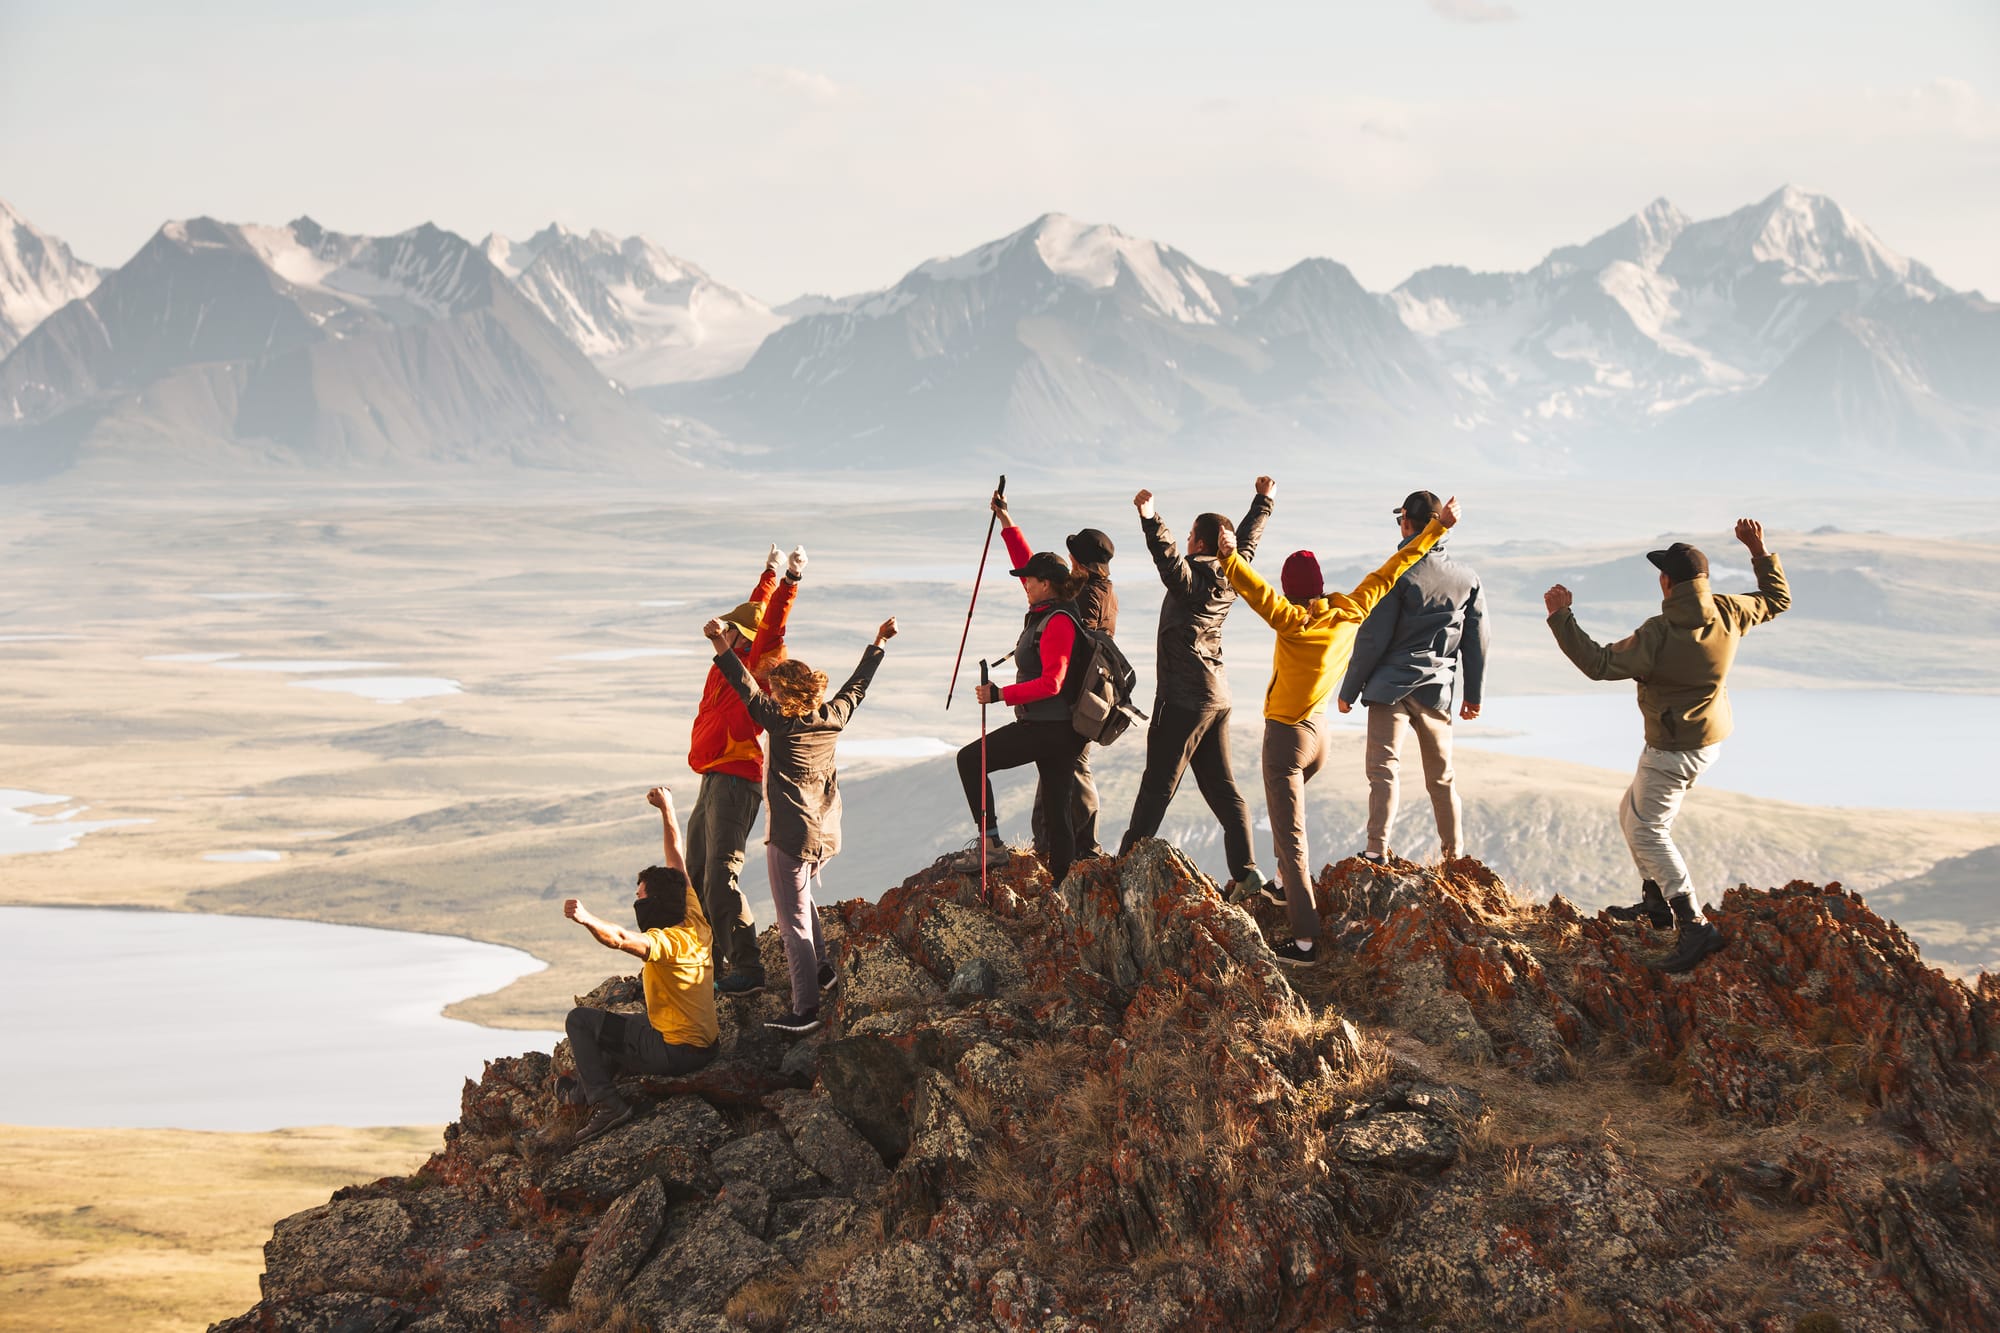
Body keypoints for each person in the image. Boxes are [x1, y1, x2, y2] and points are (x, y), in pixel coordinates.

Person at [1220, 496, 1460, 966]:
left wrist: (1229, 555)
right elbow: (1394, 567)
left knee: (1291, 837)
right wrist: (1436, 530)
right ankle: (1282, 886)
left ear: (1291, 592)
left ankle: (1305, 942)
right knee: (1283, 816)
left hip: (1287, 739)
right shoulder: (1350, 608)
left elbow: (1255, 590)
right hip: (1319, 736)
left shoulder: (1291, 621)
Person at [1544, 520, 1790, 974]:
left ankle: (1694, 925)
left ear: (1666, 582)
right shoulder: (1728, 610)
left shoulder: (1659, 632)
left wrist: (1562, 617)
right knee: (1630, 811)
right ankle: (1656, 906)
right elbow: (1777, 599)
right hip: (1706, 740)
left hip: (1671, 749)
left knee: (1648, 830)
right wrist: (1759, 549)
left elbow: (1598, 663)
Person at [709, 613, 898, 1037]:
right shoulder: (834, 716)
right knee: (803, 899)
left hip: (791, 836)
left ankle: (805, 1009)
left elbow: (743, 687)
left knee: (791, 921)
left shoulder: (779, 722)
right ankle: (824, 969)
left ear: (783, 693)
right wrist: (879, 643)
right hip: (826, 833)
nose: (768, 693)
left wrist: (721, 644)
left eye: (774, 688)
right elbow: (858, 685)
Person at [1117, 478, 1276, 897]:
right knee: (1222, 787)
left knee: (1157, 784)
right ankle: (1246, 874)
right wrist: (1263, 502)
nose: (1185, 540)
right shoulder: (1233, 573)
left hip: (1184, 697)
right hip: (1216, 698)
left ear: (1200, 543)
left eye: (1189, 535)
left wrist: (1151, 519)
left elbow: (1168, 560)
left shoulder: (1192, 582)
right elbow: (1248, 543)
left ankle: (1123, 868)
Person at [558, 786, 719, 1144]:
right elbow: (676, 856)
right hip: (704, 1043)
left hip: (676, 1053)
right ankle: (583, 1093)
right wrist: (667, 809)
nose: (637, 902)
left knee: (581, 1021)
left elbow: (619, 939)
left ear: (656, 903)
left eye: (640, 897)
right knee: (621, 1025)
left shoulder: (670, 942)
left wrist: (586, 918)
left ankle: (607, 1105)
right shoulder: (693, 918)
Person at [1337, 489, 1489, 864]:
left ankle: (1376, 849)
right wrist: (1474, 695)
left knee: (1383, 771)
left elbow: (1374, 636)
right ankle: (1454, 858)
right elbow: (1476, 640)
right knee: (1442, 778)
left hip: (1390, 687)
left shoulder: (1399, 570)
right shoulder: (1467, 578)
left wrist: (1349, 689)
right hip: (1436, 691)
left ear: (1407, 522)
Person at [687, 544, 805, 995]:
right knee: (697, 873)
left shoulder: (758, 663)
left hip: (737, 780)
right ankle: (712, 963)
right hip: (712, 777)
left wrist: (791, 579)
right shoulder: (726, 659)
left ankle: (748, 968)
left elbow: (771, 621)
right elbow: (757, 606)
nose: (728, 633)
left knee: (721, 873)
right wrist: (769, 570)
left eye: (734, 631)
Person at [950, 548, 1093, 886]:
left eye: (1030, 579)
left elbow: (1052, 683)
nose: (1024, 583)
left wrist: (1001, 695)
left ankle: (991, 843)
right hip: (1060, 730)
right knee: (1058, 811)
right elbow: (1025, 559)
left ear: (1047, 584)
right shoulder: (1050, 611)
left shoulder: (1057, 621)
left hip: (1046, 728)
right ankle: (1063, 882)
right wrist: (1006, 522)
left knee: (971, 760)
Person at [989, 489, 1118, 861]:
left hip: (1070, 705)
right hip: (1083, 703)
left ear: (1079, 561)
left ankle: (1076, 850)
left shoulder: (1084, 597)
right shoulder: (1101, 591)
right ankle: (1061, 848)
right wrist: (1007, 523)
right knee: (1063, 774)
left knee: (1070, 772)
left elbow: (1038, 580)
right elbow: (1034, 574)